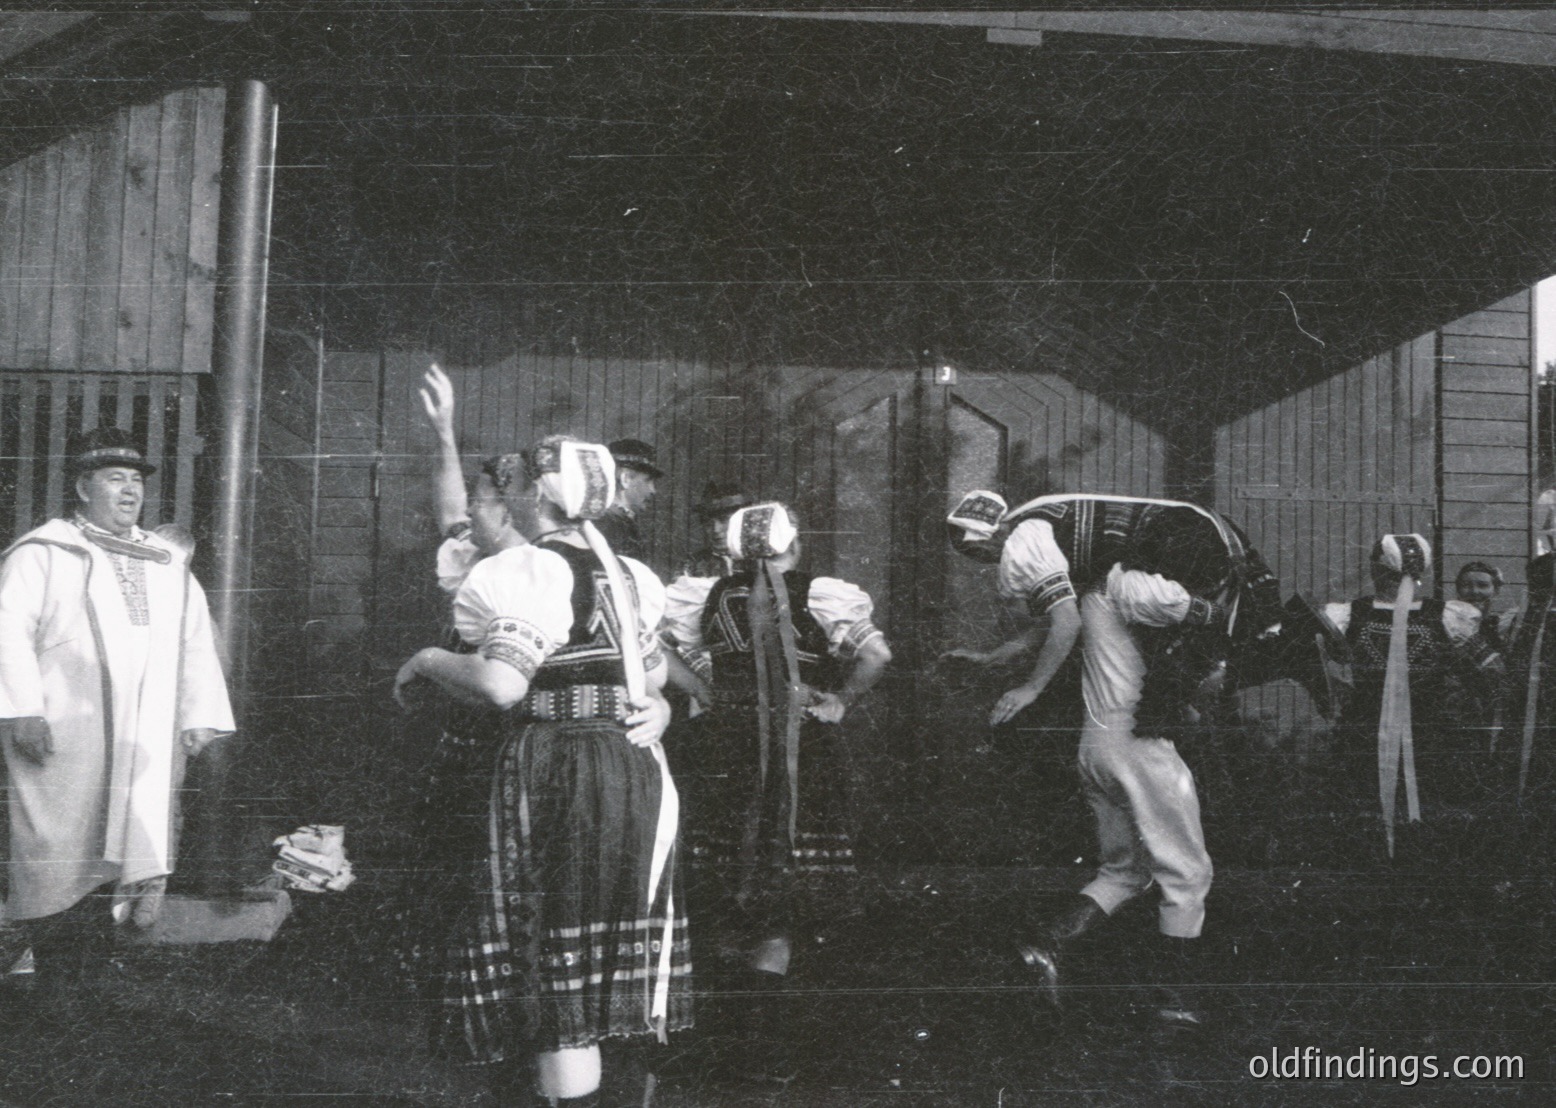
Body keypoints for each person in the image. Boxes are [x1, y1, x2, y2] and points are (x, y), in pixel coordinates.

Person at [393, 436, 689, 1107]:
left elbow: (501, 684)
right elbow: (651, 679)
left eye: (516, 485)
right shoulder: (623, 571)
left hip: (560, 768)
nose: (510, 495)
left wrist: (427, 661)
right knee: (599, 953)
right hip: (630, 767)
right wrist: (663, 709)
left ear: (536, 494)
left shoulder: (533, 568)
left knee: (553, 955)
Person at [943, 489, 1286, 1026]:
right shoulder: (1126, 587)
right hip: (1137, 748)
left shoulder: (1095, 592)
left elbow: (1057, 622)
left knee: (1125, 872)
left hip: (1097, 750)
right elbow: (1146, 610)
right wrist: (1220, 620)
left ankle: (1045, 945)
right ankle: (1174, 1001)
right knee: (1189, 873)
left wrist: (994, 660)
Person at [0, 427, 234, 1010]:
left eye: (136, 481)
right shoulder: (44, 553)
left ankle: (92, 985)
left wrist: (199, 713)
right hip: (64, 734)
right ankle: (57, 985)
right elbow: (7, 633)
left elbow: (195, 640)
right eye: (114, 479)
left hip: (142, 734)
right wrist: (22, 709)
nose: (130, 491)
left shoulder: (165, 560)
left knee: (125, 846)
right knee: (59, 849)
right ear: (84, 488)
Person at [661, 501, 891, 1081]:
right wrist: (841, 700)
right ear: (795, 545)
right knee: (780, 893)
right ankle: (760, 1047)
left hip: (726, 752)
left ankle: (725, 1041)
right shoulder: (821, 595)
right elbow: (877, 654)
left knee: (727, 882)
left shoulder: (707, 595)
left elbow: (654, 647)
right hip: (798, 753)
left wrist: (705, 691)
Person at [1323, 536, 1502, 859]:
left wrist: (1341, 686)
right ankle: (1422, 863)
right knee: (1428, 800)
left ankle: (1374, 861)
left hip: (1365, 725)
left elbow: (1315, 659)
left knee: (1365, 798)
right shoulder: (1446, 616)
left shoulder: (1350, 614)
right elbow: (1493, 670)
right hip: (1430, 727)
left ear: (1375, 570)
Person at [593, 438, 663, 562]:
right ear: (626, 478)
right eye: (648, 480)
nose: (653, 490)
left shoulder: (609, 519)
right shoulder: (612, 524)